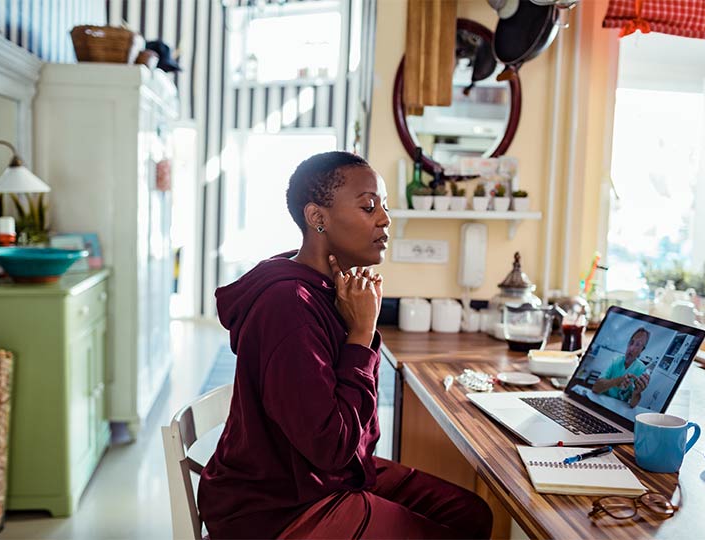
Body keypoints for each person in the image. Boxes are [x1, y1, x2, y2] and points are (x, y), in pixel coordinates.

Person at [197, 152, 493, 539]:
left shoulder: (326, 289)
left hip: (322, 477)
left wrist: (359, 326)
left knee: (471, 515)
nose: (386, 219)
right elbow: (332, 447)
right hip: (277, 507)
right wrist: (361, 334)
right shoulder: (289, 306)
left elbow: (350, 441)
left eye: (384, 206)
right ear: (318, 218)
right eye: (369, 206)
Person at [591, 327, 651, 408]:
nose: (631, 348)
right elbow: (595, 388)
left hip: (618, 409)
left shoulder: (641, 369)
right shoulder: (616, 360)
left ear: (642, 350)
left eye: (638, 345)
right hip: (601, 402)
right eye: (631, 342)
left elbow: (632, 405)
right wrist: (617, 381)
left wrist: (637, 393)